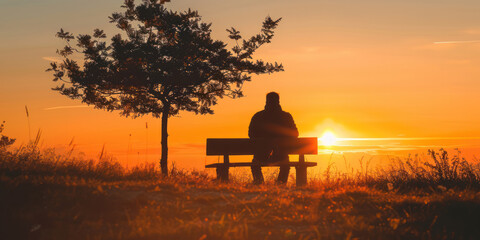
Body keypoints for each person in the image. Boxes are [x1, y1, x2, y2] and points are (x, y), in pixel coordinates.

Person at [248, 92, 299, 184]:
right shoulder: (286, 117)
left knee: (255, 164)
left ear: (266, 101)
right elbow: (295, 134)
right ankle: (281, 184)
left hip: (261, 156)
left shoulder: (258, 116)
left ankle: (259, 183)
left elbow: (251, 134)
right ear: (278, 101)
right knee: (285, 164)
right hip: (281, 156)